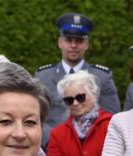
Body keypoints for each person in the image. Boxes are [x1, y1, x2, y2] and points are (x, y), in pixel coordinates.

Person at [36, 12, 120, 147]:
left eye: (79, 41)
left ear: (87, 44)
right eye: (69, 40)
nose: (74, 45)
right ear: (60, 43)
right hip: (51, 147)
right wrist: (54, 139)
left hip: (93, 150)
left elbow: (113, 117)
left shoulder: (102, 77)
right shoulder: (43, 77)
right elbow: (36, 116)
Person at [46, 70, 112, 156]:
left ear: (93, 94)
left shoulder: (112, 124)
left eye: (80, 97)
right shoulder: (57, 133)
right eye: (69, 100)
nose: (75, 103)